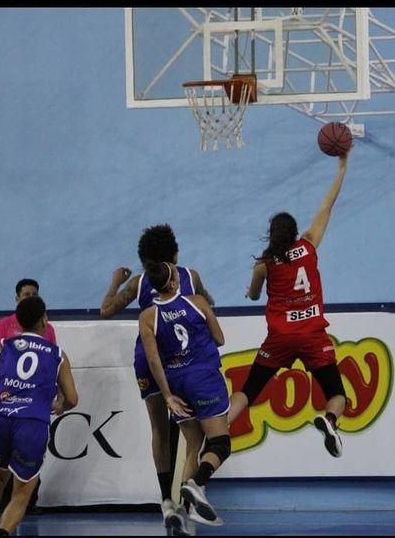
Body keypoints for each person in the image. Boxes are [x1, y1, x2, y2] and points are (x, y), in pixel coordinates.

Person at [226, 152, 350, 458]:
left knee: (248, 391)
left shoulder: (264, 263)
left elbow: (255, 296)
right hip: (312, 334)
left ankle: (218, 429)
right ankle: (330, 420)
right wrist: (342, 166)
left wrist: (250, 291)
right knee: (336, 394)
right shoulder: (309, 245)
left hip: (280, 338)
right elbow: (327, 206)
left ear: (271, 235)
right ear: (294, 233)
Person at [99, 224, 214, 531]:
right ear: (175, 252)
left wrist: (114, 282)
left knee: (159, 430)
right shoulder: (190, 276)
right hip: (181, 363)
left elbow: (106, 310)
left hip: (147, 362)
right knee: (195, 437)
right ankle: (187, 501)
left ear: (144, 257)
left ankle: (166, 503)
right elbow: (208, 304)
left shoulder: (139, 282)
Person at [0, 296, 78, 537]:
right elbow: (73, 398)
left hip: (0, 419)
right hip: (31, 424)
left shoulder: (3, 345)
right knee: (22, 492)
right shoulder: (57, 354)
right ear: (44, 319)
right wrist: (61, 405)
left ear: (19, 322)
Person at [138, 262, 230, 527]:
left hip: (176, 384)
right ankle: (196, 484)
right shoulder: (197, 302)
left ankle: (183, 516)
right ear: (176, 281)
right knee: (220, 444)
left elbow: (154, 361)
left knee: (193, 446)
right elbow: (220, 339)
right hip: (203, 379)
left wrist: (166, 395)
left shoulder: (147, 316)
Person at [0, 278, 57, 514]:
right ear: (17, 298)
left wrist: (50, 398)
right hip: (8, 400)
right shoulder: (3, 327)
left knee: (31, 452)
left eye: (34, 294)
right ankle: (5, 502)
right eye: (26, 295)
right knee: (4, 459)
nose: (30, 298)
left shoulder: (48, 329)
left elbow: (51, 366)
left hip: (33, 402)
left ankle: (28, 501)